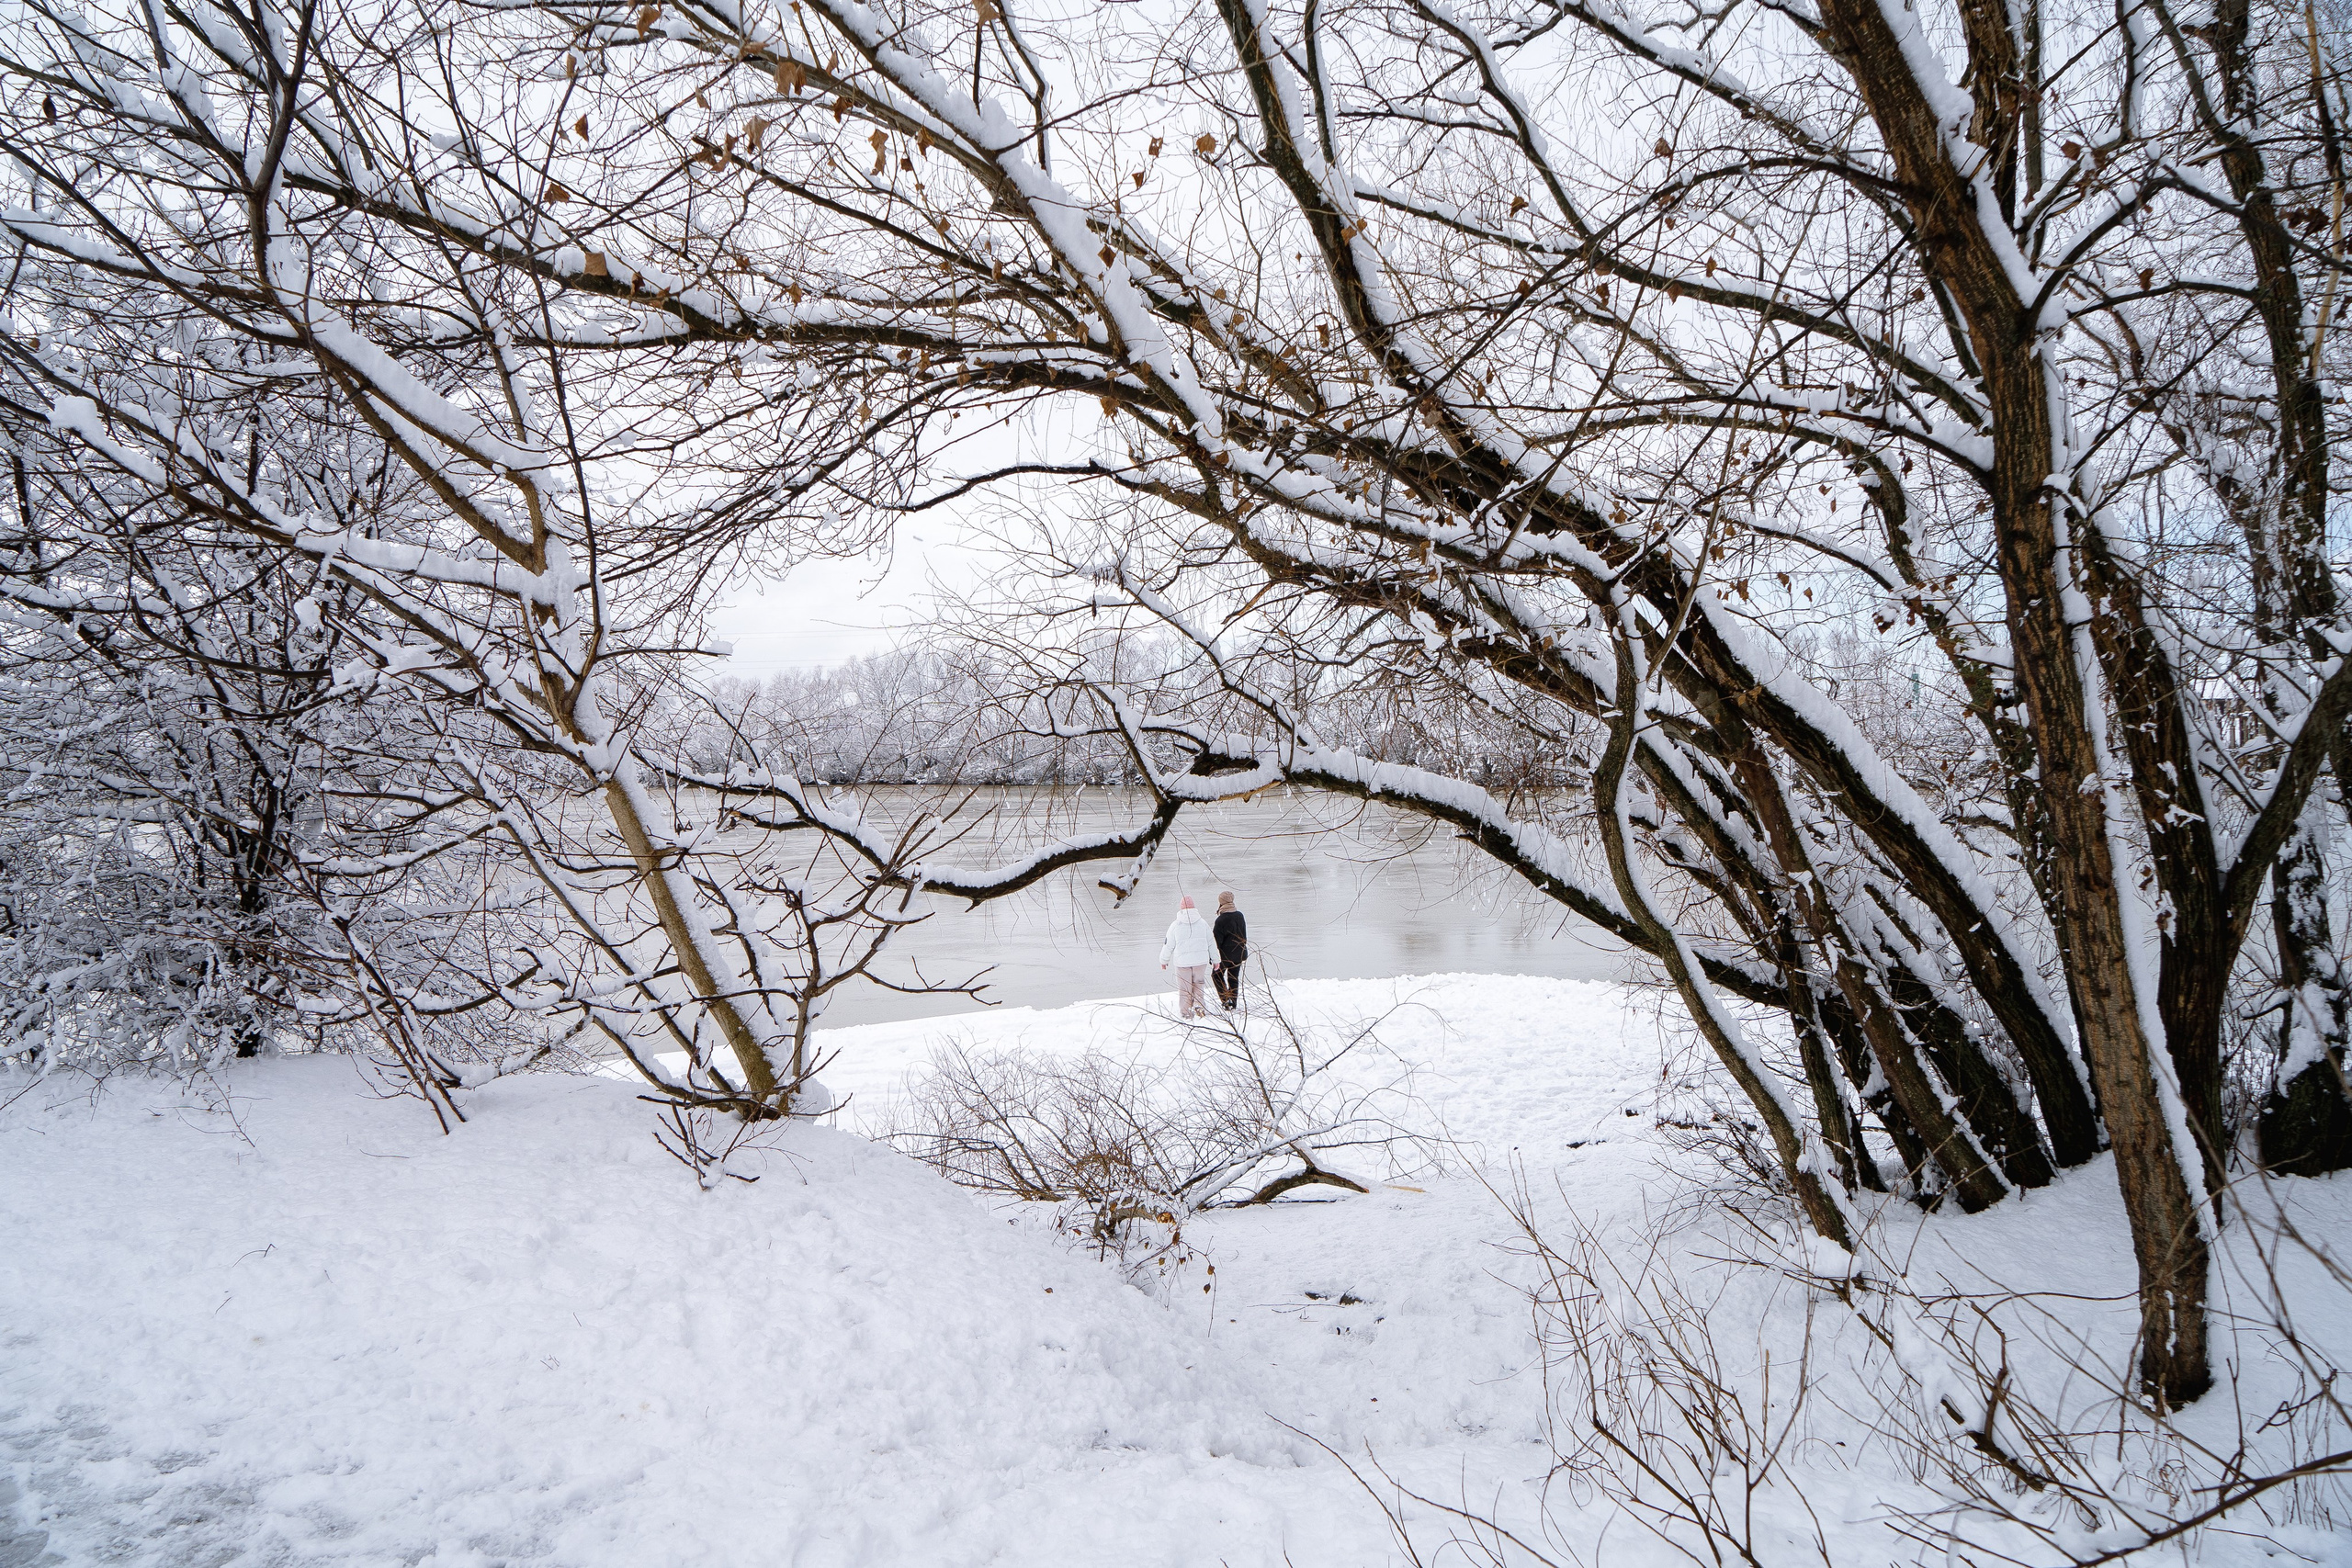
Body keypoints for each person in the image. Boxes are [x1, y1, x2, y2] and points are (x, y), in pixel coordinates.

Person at [1158, 894, 1217, 1020]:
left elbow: (1168, 945)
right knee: (1199, 984)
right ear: (1194, 908)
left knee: (1184, 988)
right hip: (1200, 961)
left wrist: (1164, 960)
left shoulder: (1175, 925)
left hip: (1182, 962)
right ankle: (1199, 1007)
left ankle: (1186, 1013)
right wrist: (1216, 960)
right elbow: (1211, 942)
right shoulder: (1203, 923)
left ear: (1181, 909)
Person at [1211, 890, 1247, 1012]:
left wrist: (1213, 957)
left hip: (1224, 955)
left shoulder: (1221, 920)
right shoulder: (1240, 915)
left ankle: (1226, 1000)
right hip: (1239, 953)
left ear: (1221, 902)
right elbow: (1244, 936)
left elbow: (1216, 941)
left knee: (1216, 975)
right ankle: (1233, 1002)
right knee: (1233, 977)